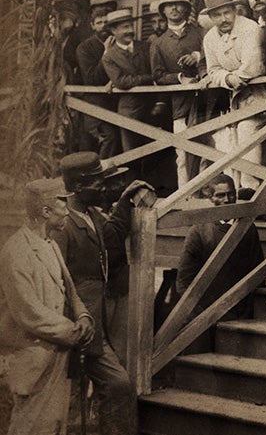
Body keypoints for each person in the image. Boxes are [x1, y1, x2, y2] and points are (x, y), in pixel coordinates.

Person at [55, 152, 152, 435]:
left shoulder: (91, 214)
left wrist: (124, 200)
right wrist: (71, 323)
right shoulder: (64, 224)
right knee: (83, 394)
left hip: (96, 323)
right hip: (73, 324)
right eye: (97, 182)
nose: (103, 187)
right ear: (79, 185)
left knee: (113, 386)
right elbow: (57, 279)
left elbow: (111, 237)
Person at [0, 177, 94, 435]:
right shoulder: (16, 252)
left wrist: (84, 316)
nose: (67, 214)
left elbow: (70, 290)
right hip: (33, 360)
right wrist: (74, 332)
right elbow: (29, 313)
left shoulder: (51, 245)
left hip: (58, 355)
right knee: (29, 427)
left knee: (55, 426)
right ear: (45, 212)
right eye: (63, 208)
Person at [175, 174, 263, 322]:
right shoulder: (199, 232)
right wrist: (200, 315)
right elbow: (184, 281)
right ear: (210, 198)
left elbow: (257, 272)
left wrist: (246, 312)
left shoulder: (248, 228)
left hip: (240, 311)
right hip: (207, 313)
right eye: (220, 196)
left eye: (231, 194)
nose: (227, 200)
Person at [202, 0, 266, 190]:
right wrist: (228, 78)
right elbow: (212, 70)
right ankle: (232, 191)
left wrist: (237, 76)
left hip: (260, 96)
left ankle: (251, 188)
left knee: (246, 130)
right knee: (224, 139)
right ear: (211, 17)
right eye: (217, 15)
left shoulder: (250, 28)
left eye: (227, 13)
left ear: (235, 11)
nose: (223, 19)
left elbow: (253, 67)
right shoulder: (209, 38)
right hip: (229, 97)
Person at [150, 0, 205, 186]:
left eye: (178, 4)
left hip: (208, 103)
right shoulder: (158, 43)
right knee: (182, 155)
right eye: (169, 5)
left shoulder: (200, 33)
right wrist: (181, 78)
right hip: (180, 105)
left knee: (210, 152)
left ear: (186, 8)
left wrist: (197, 56)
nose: (174, 9)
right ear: (163, 11)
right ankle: (185, 201)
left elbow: (213, 53)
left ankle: (210, 201)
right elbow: (158, 75)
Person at [101, 8, 155, 155]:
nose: (130, 31)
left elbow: (156, 70)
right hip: (130, 112)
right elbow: (121, 82)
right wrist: (149, 78)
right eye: (125, 27)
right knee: (132, 155)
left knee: (156, 154)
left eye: (131, 26)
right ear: (113, 30)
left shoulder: (146, 47)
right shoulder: (109, 57)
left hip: (152, 109)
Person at [76, 0, 121, 159]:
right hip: (94, 107)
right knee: (108, 139)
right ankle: (99, 179)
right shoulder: (84, 48)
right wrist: (106, 53)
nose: (103, 26)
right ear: (92, 25)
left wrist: (116, 81)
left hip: (116, 104)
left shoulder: (120, 43)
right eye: (99, 22)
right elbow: (92, 78)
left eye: (106, 22)